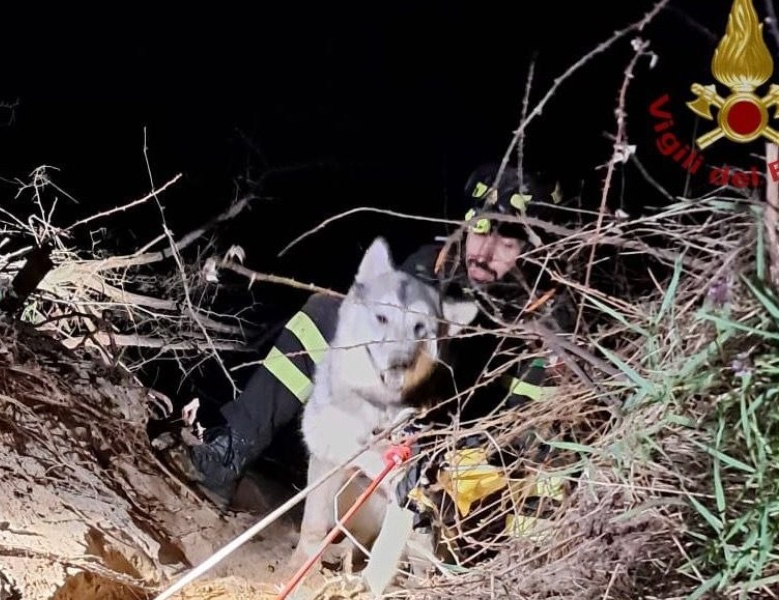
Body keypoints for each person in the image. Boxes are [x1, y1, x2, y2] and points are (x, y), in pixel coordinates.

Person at [178, 162, 574, 509]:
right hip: (405, 416)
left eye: (508, 241)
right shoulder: (431, 263)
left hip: (471, 444)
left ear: (534, 250)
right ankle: (231, 452)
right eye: (481, 228)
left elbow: (537, 429)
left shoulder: (550, 315)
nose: (486, 251)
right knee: (324, 313)